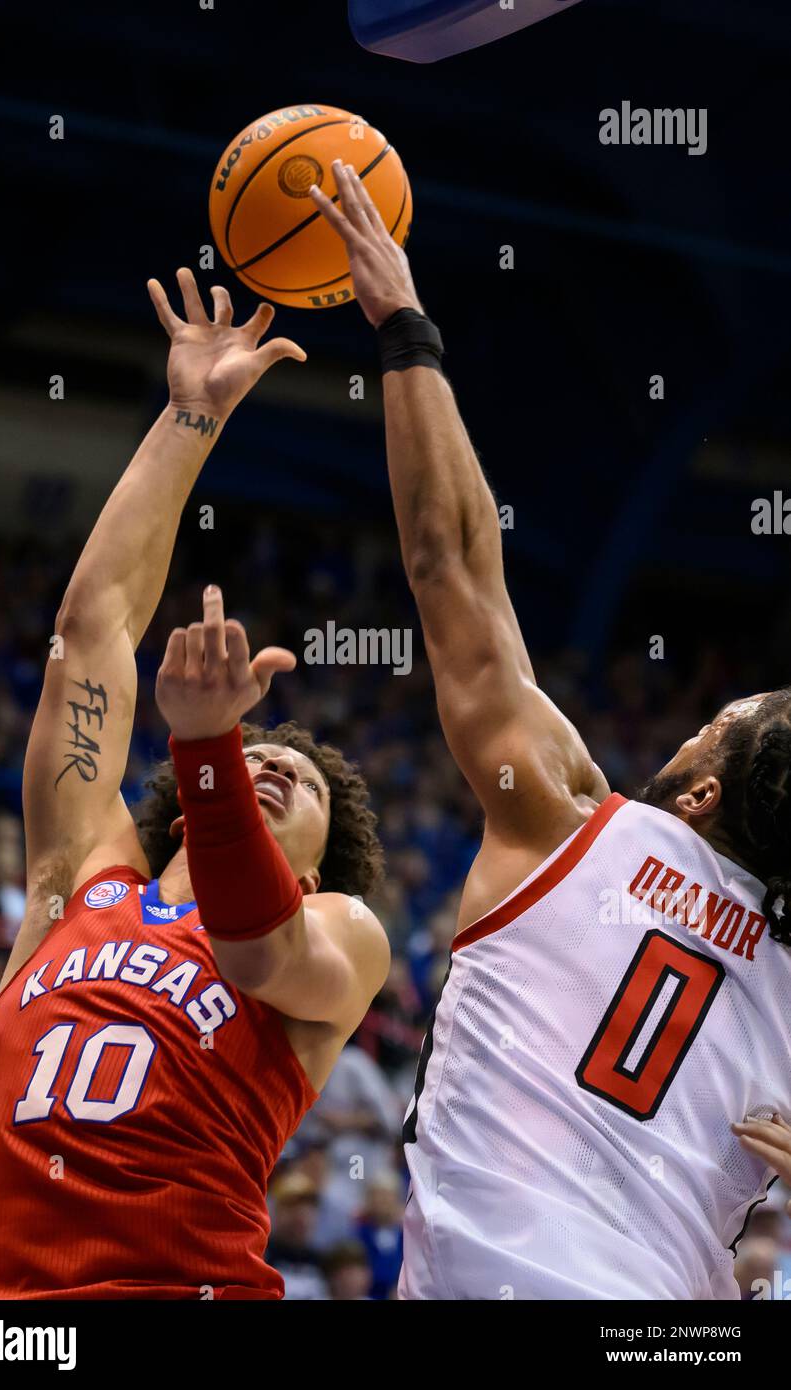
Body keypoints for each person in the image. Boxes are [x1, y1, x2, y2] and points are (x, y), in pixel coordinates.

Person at [312, 161, 791, 1300]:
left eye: (715, 723)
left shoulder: (567, 816)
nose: (693, 723)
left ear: (703, 791)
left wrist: (404, 330)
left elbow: (451, 568)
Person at [0, 270, 390, 1299]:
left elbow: (260, 939)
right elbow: (90, 632)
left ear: (321, 863)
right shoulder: (78, 884)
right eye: (258, 756)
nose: (271, 762)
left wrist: (209, 748)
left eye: (299, 780)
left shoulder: (342, 936)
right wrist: (190, 413)